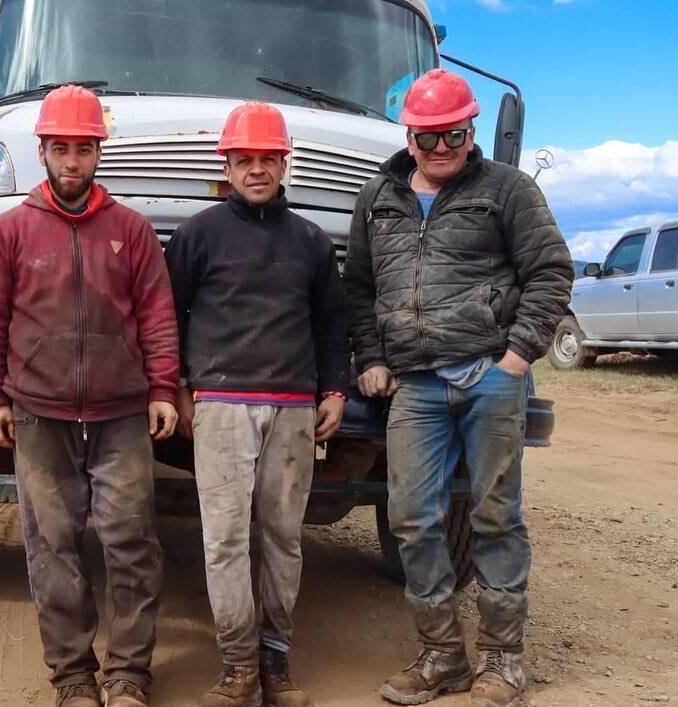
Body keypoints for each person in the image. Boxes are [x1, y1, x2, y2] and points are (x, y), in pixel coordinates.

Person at [342, 69, 573, 707]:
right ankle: (442, 655)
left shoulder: (508, 190)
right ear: (408, 135)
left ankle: (504, 662)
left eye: (455, 135)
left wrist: (519, 357)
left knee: (495, 517)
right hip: (413, 387)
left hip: (489, 377)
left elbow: (551, 270)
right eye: (428, 137)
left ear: (471, 132)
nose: (441, 148)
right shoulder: (378, 196)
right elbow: (359, 287)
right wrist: (371, 355)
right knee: (413, 520)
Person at [0, 85, 180, 707]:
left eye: (83, 149)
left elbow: (157, 315)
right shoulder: (9, 233)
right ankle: (73, 677)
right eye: (60, 148)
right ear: (43, 152)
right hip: (38, 414)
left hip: (120, 415)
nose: (72, 161)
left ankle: (128, 675)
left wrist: (162, 387)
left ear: (98, 154)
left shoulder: (132, 231)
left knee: (132, 543)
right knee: (52, 546)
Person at [164, 101, 351, 707]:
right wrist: (179, 387)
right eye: (244, 159)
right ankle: (238, 664)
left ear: (283, 163)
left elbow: (331, 324)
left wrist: (334, 390)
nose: (256, 169)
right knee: (223, 539)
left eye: (267, 159)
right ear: (227, 164)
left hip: (294, 408)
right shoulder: (197, 236)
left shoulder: (312, 242)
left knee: (282, 538)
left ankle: (275, 660)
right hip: (219, 404)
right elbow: (170, 317)